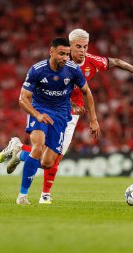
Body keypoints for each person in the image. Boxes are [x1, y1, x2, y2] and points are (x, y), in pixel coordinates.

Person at [0, 29, 133, 204]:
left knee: (52, 159)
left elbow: (113, 63)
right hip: (48, 108)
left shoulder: (85, 65)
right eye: (78, 47)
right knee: (39, 147)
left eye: (85, 47)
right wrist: (67, 105)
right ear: (69, 46)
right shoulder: (52, 65)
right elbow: (40, 92)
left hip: (67, 115)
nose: (82, 50)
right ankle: (43, 194)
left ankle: (20, 152)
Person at [14, 37, 100, 205]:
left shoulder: (73, 70)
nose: (65, 58)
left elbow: (87, 92)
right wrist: (37, 114)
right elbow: (22, 99)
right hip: (40, 109)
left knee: (47, 163)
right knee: (38, 147)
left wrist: (94, 120)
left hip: (61, 115)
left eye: (67, 54)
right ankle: (22, 196)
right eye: (61, 54)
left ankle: (19, 152)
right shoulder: (37, 70)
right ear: (51, 52)